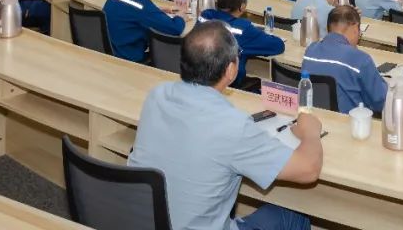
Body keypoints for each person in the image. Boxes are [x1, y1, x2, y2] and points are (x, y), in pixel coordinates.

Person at [128, 21, 320, 230]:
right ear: (231, 70)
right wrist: (310, 132)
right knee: (293, 217)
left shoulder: (157, 95)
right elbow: (308, 170)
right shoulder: (233, 125)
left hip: (142, 223)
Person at [303, 5, 403, 113]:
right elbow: (384, 102)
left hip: (315, 118)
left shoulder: (310, 50)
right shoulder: (360, 59)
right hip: (350, 123)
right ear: (355, 28)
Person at [199, 0, 284, 89]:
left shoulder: (205, 16)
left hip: (200, 76)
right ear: (242, 6)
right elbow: (278, 46)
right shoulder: (243, 29)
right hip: (228, 83)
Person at [104, 0, 187, 62]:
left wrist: (157, 10)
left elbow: (130, 10)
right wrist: (180, 16)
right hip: (128, 59)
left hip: (111, 52)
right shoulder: (143, 7)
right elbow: (175, 29)